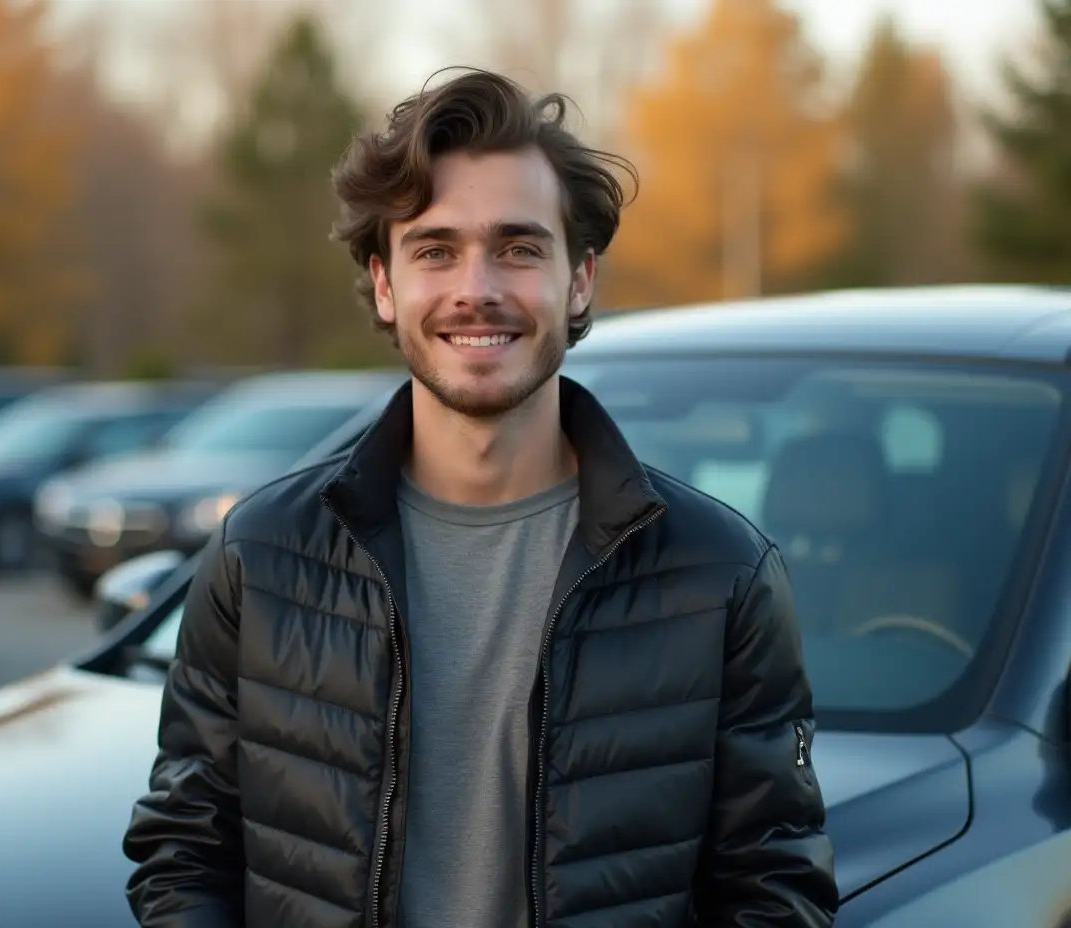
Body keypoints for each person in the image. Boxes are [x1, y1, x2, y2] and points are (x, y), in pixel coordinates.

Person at [122, 67, 838, 928]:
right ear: (385, 285)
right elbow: (184, 853)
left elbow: (773, 890)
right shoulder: (261, 555)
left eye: (519, 247)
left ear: (579, 281)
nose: (477, 288)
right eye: (435, 249)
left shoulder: (719, 575)